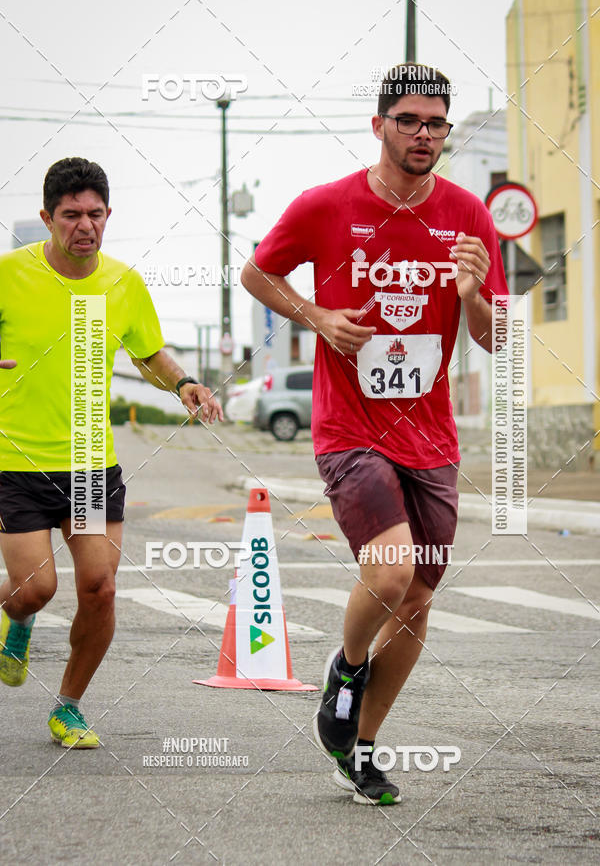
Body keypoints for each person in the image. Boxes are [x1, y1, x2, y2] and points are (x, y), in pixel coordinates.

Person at [241, 64, 509, 804]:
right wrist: (318, 318)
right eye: (410, 121)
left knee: (418, 600)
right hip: (349, 428)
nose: (425, 135)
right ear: (380, 126)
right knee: (390, 575)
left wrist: (472, 298)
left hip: (432, 441)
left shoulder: (467, 216)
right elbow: (257, 274)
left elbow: (498, 339)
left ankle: (358, 749)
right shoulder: (327, 206)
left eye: (437, 124)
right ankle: (347, 666)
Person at [0, 157, 222, 748]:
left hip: (89, 465)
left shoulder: (122, 283)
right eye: (71, 214)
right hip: (15, 463)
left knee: (99, 587)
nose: (84, 226)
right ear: (47, 218)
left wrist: (183, 385)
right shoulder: (8, 275)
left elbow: (148, 352)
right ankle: (16, 617)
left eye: (95, 214)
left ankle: (68, 706)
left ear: (107, 217)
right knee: (36, 590)